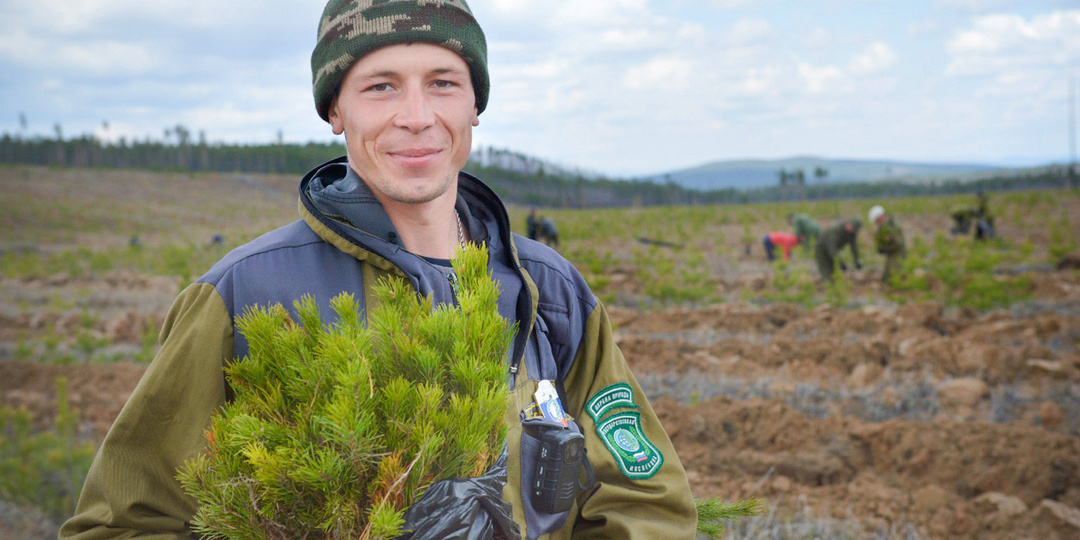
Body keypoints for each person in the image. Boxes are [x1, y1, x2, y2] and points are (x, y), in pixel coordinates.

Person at [59, 1, 697, 539]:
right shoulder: (246, 295)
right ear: (336, 110)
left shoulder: (548, 292)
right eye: (381, 85)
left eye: (443, 82)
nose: (416, 116)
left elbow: (646, 502)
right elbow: (125, 520)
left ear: (475, 103)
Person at [814, 217, 862, 281]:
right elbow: (832, 248)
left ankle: (833, 286)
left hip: (832, 249)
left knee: (833, 272)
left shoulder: (852, 233)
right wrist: (840, 262)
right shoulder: (836, 230)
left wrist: (857, 260)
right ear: (848, 224)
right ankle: (829, 286)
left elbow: (854, 246)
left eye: (854, 229)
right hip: (822, 249)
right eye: (851, 227)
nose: (852, 230)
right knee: (826, 271)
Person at [868, 205, 905, 283]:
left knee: (894, 276)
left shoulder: (891, 225)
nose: (877, 223)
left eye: (877, 220)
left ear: (880, 217)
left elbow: (898, 244)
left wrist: (885, 249)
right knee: (886, 276)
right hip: (892, 253)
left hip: (898, 254)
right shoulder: (885, 226)